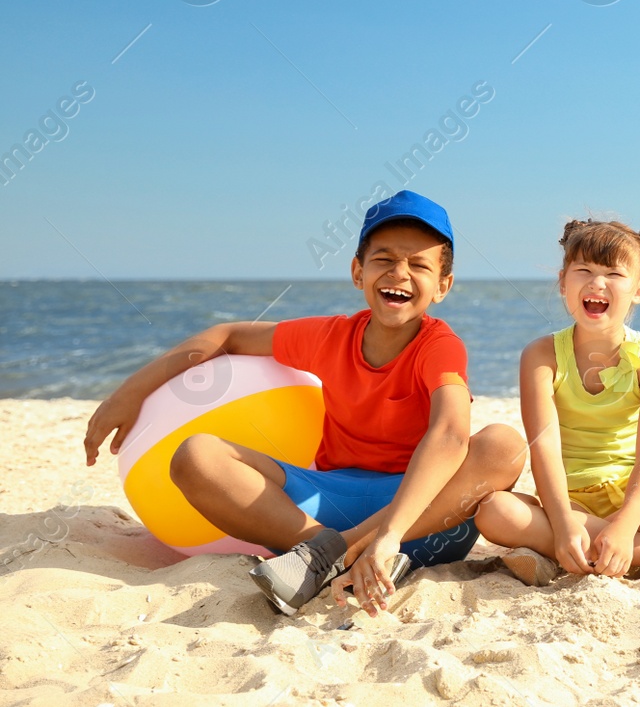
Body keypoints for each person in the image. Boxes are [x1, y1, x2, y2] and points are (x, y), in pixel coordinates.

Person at [83, 190, 526, 615]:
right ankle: (329, 552)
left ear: (443, 285)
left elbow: (450, 433)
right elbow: (229, 335)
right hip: (327, 505)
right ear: (358, 272)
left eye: (419, 265)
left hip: (422, 519)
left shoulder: (439, 346)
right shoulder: (330, 337)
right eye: (384, 260)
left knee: (504, 445)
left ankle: (340, 552)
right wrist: (130, 392)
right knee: (195, 456)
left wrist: (388, 536)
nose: (399, 273)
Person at [475, 219, 640, 585]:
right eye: (583, 270)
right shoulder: (541, 355)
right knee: (492, 510)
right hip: (569, 504)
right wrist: (565, 521)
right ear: (563, 282)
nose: (597, 283)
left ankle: (561, 552)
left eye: (614, 274)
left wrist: (627, 521)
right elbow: (545, 448)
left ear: (639, 290)